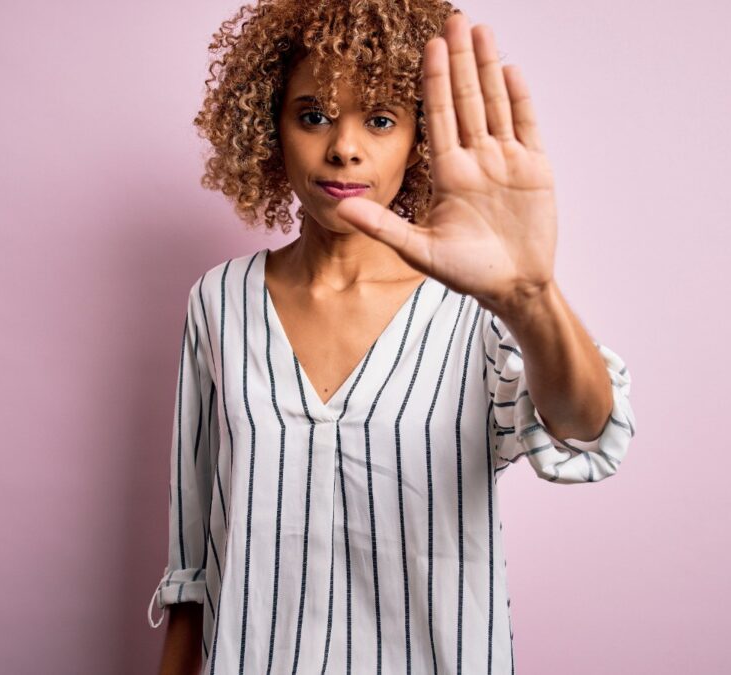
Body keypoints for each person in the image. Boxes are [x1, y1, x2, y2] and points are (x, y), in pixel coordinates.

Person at [147, 1, 637, 673]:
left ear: (420, 138)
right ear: (269, 126)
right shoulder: (220, 302)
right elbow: (193, 565)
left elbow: (585, 432)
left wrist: (531, 296)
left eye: (379, 119)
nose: (345, 146)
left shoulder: (478, 308)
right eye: (313, 114)